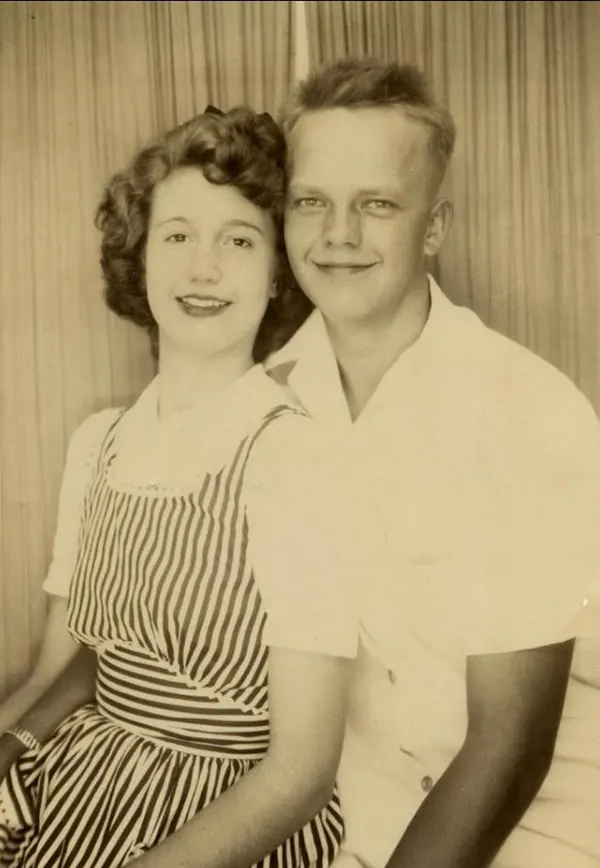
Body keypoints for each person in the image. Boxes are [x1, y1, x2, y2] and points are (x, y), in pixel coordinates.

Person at [0, 105, 364, 867]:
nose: (204, 270)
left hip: (223, 822)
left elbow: (300, 777)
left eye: (239, 240)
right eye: (176, 237)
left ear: (277, 273)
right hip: (79, 784)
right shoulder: (97, 443)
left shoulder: (295, 457)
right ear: (139, 259)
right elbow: (53, 670)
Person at [265, 58, 600, 868]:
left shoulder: (527, 409)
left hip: (541, 833)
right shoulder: (269, 401)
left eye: (377, 204)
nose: (338, 234)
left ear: (436, 228)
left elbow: (509, 750)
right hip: (355, 834)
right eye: (311, 201)